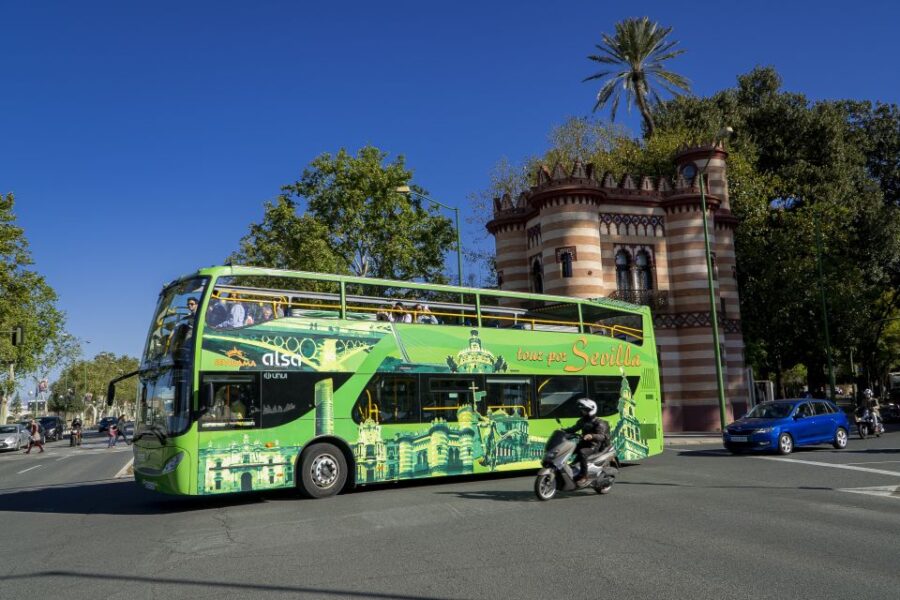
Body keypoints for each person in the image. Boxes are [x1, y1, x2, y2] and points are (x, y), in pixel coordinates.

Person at [563, 398, 610, 487]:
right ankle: (572, 469)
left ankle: (584, 476)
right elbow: (574, 428)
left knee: (582, 453)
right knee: (568, 448)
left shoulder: (598, 422)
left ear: (591, 410)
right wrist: (563, 431)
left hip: (594, 446)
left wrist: (592, 436)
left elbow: (602, 436)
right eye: (582, 410)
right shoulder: (582, 421)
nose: (582, 412)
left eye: (584, 410)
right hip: (583, 443)